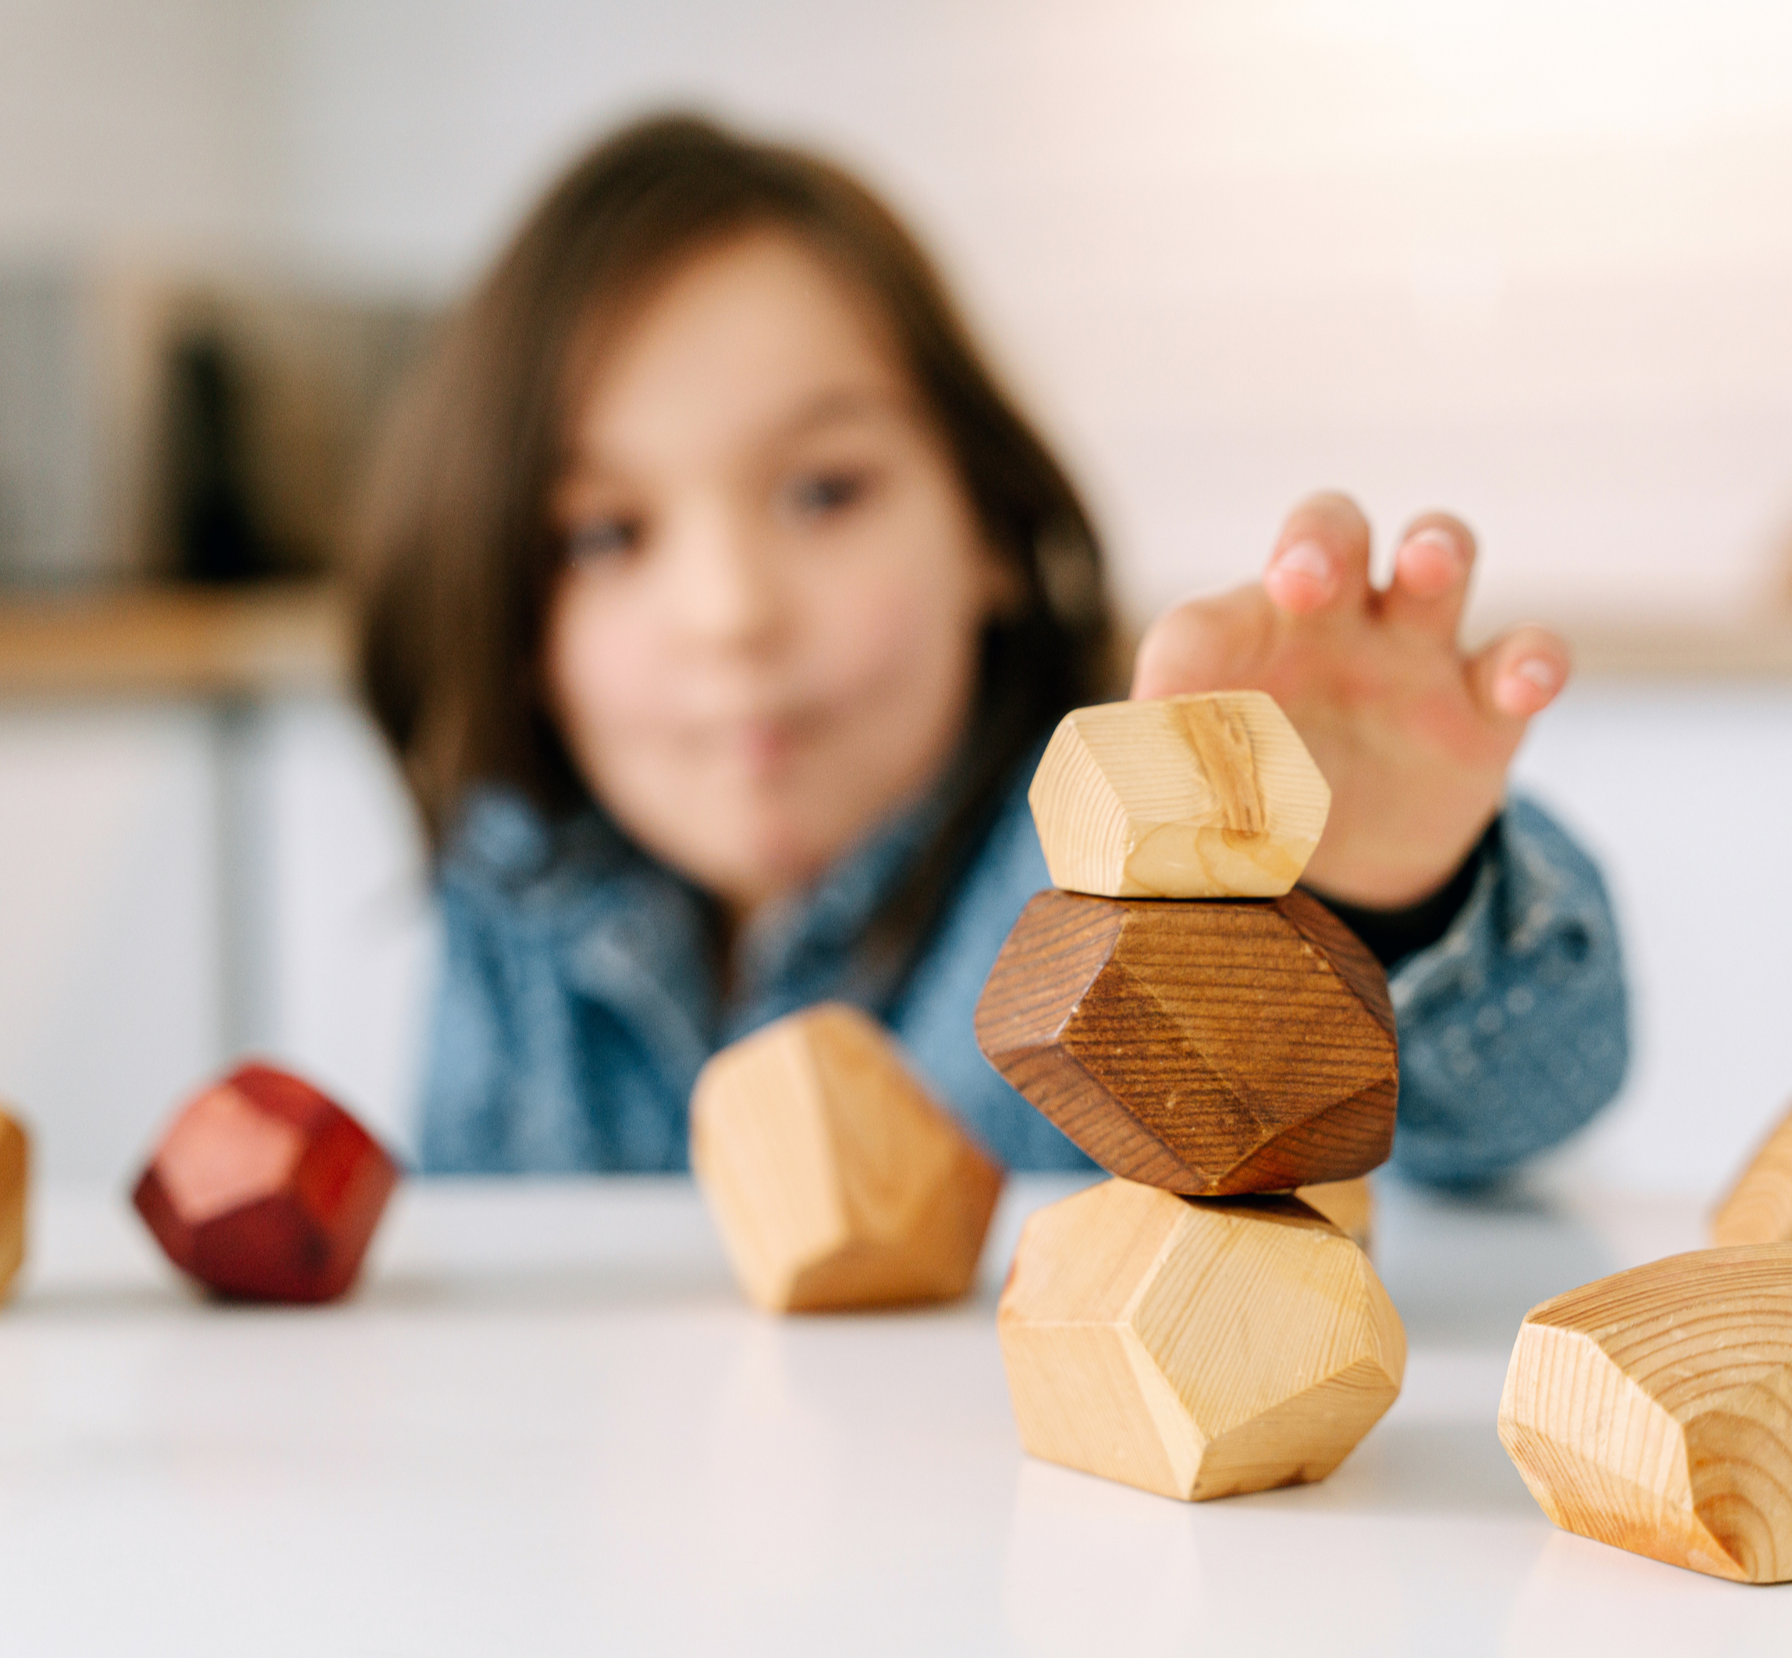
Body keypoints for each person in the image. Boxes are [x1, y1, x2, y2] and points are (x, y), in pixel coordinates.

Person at [355, 114, 1626, 1190]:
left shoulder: (1102, 869)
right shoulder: (509, 890)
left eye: (822, 494)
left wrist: (1387, 901)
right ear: (513, 624)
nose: (729, 611)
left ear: (990, 532)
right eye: (605, 534)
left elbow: (1528, 1088)